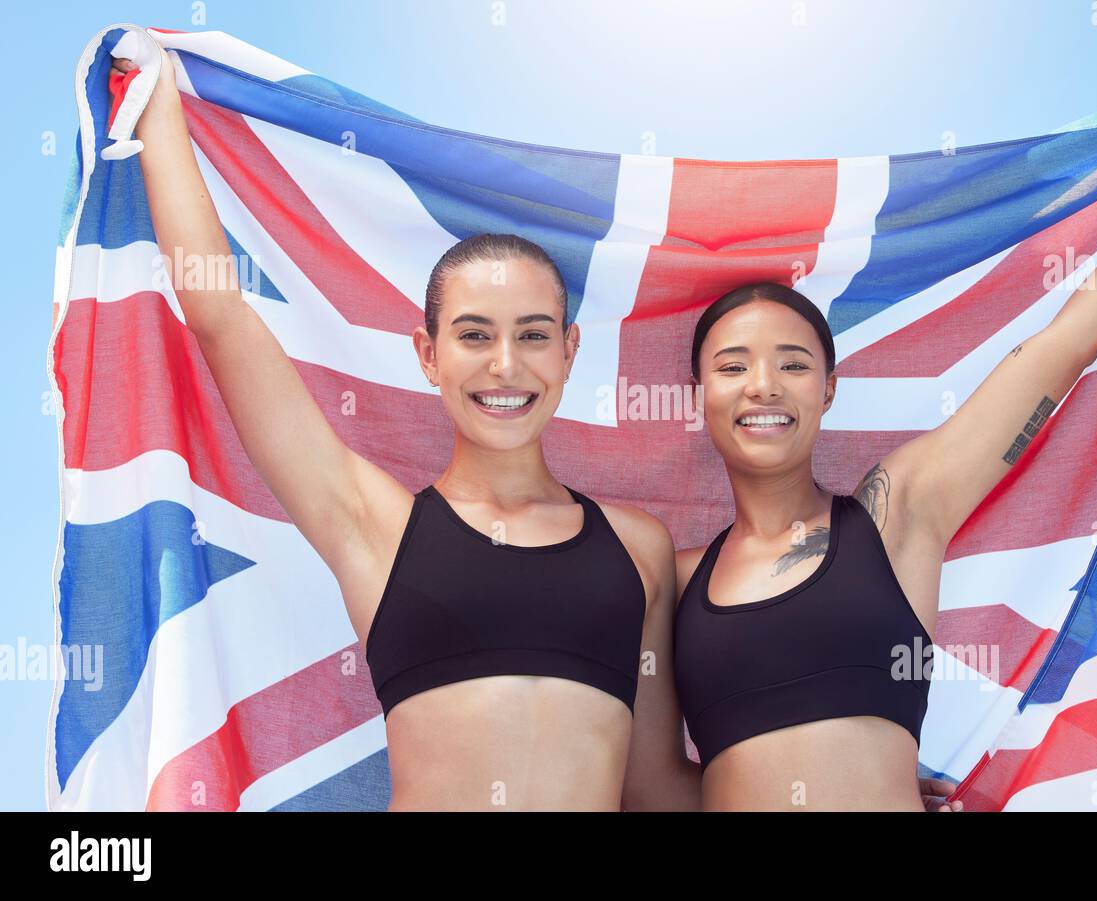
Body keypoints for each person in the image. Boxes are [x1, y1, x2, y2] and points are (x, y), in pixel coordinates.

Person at [652, 85, 1097, 811]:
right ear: (699, 394)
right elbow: (651, 780)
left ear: (828, 390)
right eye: (732, 367)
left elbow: (1058, 351)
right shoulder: (665, 582)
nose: (763, 386)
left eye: (793, 364)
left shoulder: (898, 513)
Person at [118, 50, 681, 811]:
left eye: (535, 335)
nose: (505, 366)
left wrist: (872, 786)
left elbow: (656, 787)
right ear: (427, 354)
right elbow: (221, 318)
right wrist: (161, 107)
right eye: (474, 335)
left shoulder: (639, 551)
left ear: (570, 349)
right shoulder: (372, 524)